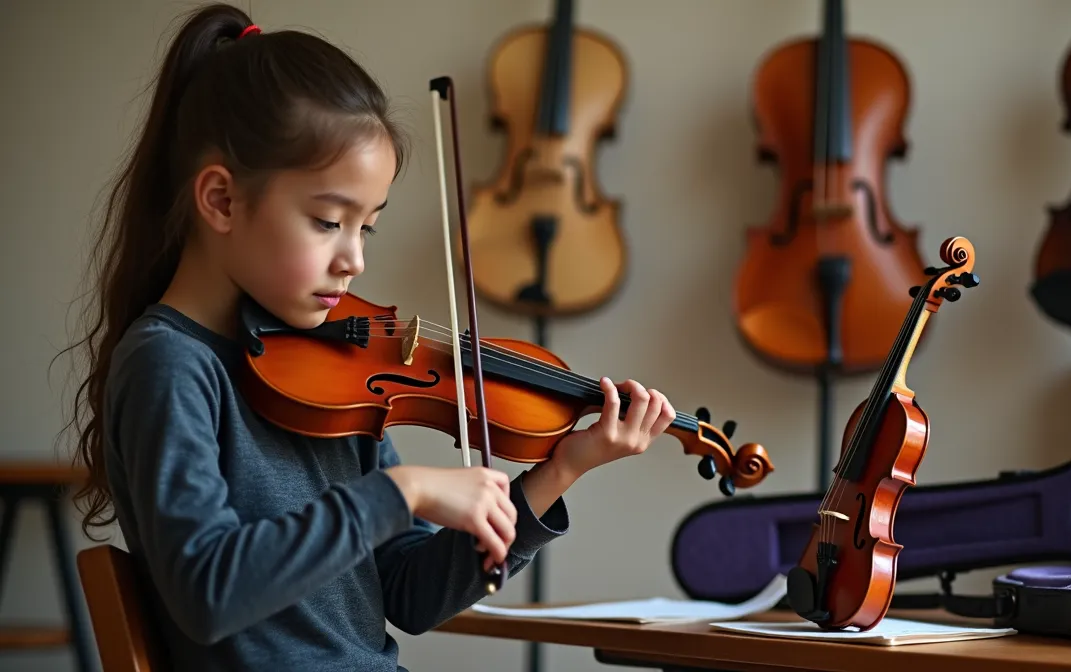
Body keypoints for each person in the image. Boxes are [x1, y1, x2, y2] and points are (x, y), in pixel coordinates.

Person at [54, 4, 676, 671]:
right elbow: (208, 592)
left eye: (367, 226)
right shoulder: (170, 365)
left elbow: (411, 596)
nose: (354, 259)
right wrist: (401, 492)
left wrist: (561, 469)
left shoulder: (334, 367)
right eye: (329, 222)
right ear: (222, 200)